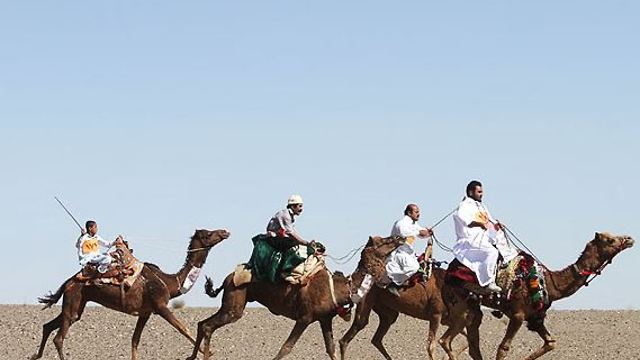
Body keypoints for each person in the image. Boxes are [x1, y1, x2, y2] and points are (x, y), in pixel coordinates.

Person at [452, 180, 518, 292]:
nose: (481, 194)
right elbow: (464, 220)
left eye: (482, 192)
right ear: (471, 192)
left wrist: (497, 224)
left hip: (483, 239)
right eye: (479, 192)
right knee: (492, 252)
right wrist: (478, 223)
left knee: (506, 251)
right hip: (470, 241)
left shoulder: (482, 206)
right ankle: (488, 282)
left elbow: (490, 220)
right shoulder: (464, 205)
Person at [384, 204, 433, 296]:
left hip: (408, 254)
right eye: (416, 212)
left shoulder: (413, 224)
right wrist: (421, 232)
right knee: (414, 268)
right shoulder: (401, 223)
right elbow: (407, 233)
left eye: (419, 212)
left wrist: (428, 233)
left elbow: (420, 232)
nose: (419, 214)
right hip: (398, 253)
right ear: (409, 213)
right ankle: (393, 284)